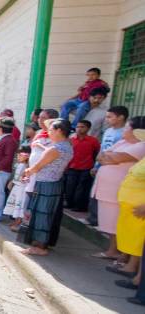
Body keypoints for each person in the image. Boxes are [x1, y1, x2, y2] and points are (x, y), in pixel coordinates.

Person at [91, 117, 145, 265]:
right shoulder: (122, 142)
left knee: (117, 223)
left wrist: (110, 157)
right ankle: (114, 250)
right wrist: (109, 157)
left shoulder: (141, 146)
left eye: (127, 127)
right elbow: (101, 156)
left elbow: (116, 157)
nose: (124, 130)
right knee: (111, 222)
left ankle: (121, 253)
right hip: (111, 191)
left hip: (121, 192)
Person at [22, 118, 74, 256]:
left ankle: (40, 246)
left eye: (51, 129)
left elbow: (37, 167)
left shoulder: (55, 148)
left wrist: (27, 171)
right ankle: (42, 243)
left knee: (41, 215)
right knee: (46, 215)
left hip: (45, 185)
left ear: (59, 131)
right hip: (54, 184)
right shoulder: (67, 146)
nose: (48, 132)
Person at [87, 106, 130, 226]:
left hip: (115, 167)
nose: (107, 120)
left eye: (110, 117)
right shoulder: (108, 131)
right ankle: (93, 218)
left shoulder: (126, 133)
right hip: (101, 166)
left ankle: (105, 222)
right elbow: (102, 149)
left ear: (121, 117)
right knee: (95, 193)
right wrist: (96, 165)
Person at [114, 137, 145, 297]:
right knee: (136, 243)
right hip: (133, 206)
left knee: (140, 243)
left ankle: (139, 280)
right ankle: (138, 277)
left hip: (141, 208)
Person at [24, 109, 60, 216]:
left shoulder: (56, 136)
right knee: (28, 198)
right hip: (32, 172)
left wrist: (41, 146)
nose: (40, 120)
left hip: (44, 174)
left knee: (38, 203)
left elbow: (53, 154)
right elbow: (32, 152)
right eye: (39, 117)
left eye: (43, 118)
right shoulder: (39, 133)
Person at [64, 120, 100, 211]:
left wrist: (94, 166)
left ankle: (80, 206)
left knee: (82, 188)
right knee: (70, 187)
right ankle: (69, 203)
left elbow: (97, 153)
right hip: (72, 167)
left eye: (82, 127)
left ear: (88, 128)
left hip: (86, 168)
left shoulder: (93, 141)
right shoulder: (71, 140)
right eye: (78, 127)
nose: (79, 129)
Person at [4, 146, 30, 230]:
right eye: (18, 155)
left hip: (22, 188)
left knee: (20, 204)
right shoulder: (19, 164)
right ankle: (16, 220)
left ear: (27, 156)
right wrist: (12, 182)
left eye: (21, 155)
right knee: (15, 203)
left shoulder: (27, 166)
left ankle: (19, 221)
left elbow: (24, 178)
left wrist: (21, 179)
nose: (18, 157)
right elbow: (16, 175)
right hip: (17, 187)